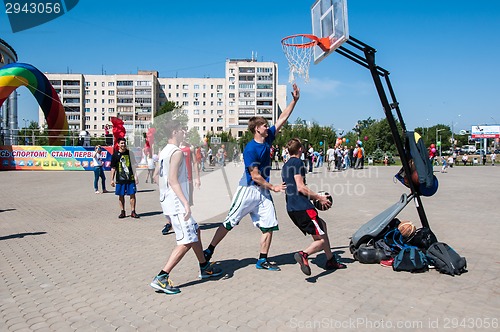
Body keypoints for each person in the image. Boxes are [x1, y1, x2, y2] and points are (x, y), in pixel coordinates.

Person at [203, 83, 301, 271]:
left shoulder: (268, 138)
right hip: (248, 189)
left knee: (270, 224)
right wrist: (273, 187)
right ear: (257, 129)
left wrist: (294, 101)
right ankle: (209, 250)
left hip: (263, 192)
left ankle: (262, 260)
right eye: (264, 124)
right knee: (230, 222)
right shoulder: (250, 149)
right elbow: (255, 176)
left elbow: (282, 118)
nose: (268, 126)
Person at [150, 120, 222, 295]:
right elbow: (173, 180)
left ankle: (204, 266)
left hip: (169, 201)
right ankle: (162, 277)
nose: (185, 132)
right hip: (176, 204)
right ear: (175, 132)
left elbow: (155, 177)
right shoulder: (176, 152)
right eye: (182, 129)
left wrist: (165, 194)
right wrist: (184, 202)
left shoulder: (164, 152)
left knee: (195, 231)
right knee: (186, 241)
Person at [281, 138, 347, 275]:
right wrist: (319, 197)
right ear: (300, 149)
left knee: (322, 225)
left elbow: (290, 186)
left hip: (292, 208)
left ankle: (330, 260)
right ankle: (303, 254)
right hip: (303, 207)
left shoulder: (286, 165)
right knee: (321, 240)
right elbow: (300, 187)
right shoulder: (298, 162)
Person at [161, 140, 201, 235]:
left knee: (187, 202)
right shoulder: (171, 149)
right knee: (170, 202)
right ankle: (169, 223)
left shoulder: (189, 148)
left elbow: (195, 163)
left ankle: (186, 222)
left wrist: (197, 178)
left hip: (187, 179)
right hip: (174, 180)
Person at [110, 138, 140, 219]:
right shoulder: (115, 155)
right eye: (122, 143)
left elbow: (133, 165)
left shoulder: (130, 153)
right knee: (121, 195)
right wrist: (112, 179)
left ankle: (133, 211)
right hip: (120, 179)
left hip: (130, 178)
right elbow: (113, 168)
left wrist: (136, 177)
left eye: (124, 143)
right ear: (118, 145)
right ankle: (122, 211)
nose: (123, 145)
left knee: (132, 195)